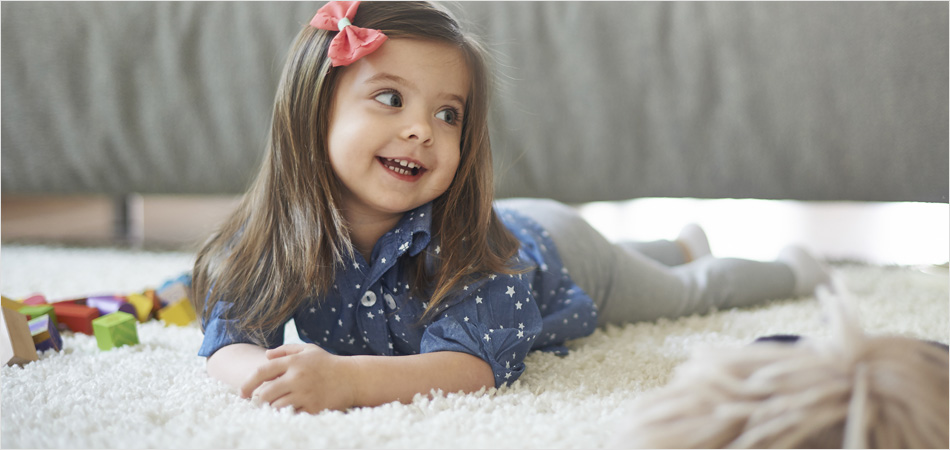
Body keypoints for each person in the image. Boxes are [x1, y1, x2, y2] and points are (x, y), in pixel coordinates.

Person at [192, 0, 830, 415]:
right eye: (390, 99)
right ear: (312, 109)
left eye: (448, 114)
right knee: (655, 262)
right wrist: (265, 376)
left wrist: (347, 383)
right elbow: (230, 338)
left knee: (682, 292)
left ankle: (790, 268)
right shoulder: (273, 236)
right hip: (527, 223)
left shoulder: (468, 252)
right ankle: (679, 241)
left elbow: (473, 368)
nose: (422, 131)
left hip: (566, 255)